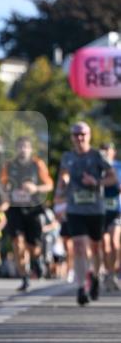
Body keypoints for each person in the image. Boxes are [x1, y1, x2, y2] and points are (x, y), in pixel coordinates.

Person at [55, 122, 117, 305]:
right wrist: (62, 188)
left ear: (89, 136)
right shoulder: (67, 157)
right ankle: (81, 287)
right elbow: (62, 176)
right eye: (76, 134)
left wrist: (96, 182)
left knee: (96, 247)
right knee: (79, 246)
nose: (79, 138)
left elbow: (112, 177)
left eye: (82, 134)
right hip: (74, 209)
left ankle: (96, 276)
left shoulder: (98, 156)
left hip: (95, 209)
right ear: (72, 137)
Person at [0, 136, 53, 292]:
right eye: (20, 147)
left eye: (26, 147)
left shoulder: (37, 164)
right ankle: (24, 277)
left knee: (33, 246)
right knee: (17, 242)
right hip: (15, 209)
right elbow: (2, 186)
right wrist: (5, 199)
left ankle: (37, 259)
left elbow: (49, 185)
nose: (23, 150)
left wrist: (36, 188)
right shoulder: (9, 165)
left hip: (33, 209)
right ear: (16, 149)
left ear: (30, 149)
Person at [100, 142, 121, 291]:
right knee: (104, 245)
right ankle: (108, 272)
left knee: (114, 242)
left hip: (116, 209)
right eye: (103, 150)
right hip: (100, 211)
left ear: (113, 152)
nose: (106, 152)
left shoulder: (119, 167)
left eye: (108, 149)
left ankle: (115, 272)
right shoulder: (97, 167)